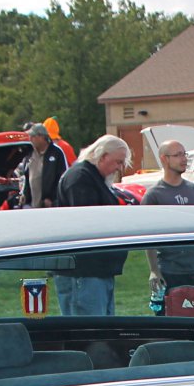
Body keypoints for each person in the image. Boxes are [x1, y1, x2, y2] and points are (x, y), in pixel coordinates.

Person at [54, 135, 132, 316]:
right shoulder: (80, 179)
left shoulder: (93, 178)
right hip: (83, 270)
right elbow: (86, 224)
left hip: (96, 269)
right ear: (103, 156)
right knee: (89, 332)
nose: (119, 168)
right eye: (118, 162)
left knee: (102, 330)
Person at [143, 139, 194, 309]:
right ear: (164, 159)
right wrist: (154, 270)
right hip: (171, 271)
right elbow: (147, 236)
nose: (183, 159)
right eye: (177, 155)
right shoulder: (154, 196)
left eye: (184, 154)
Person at [18, 123, 69, 209]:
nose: (30, 139)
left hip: (49, 205)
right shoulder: (29, 153)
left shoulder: (56, 153)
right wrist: (24, 194)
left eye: (33, 136)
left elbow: (62, 178)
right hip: (31, 205)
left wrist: (52, 199)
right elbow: (26, 176)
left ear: (42, 137)